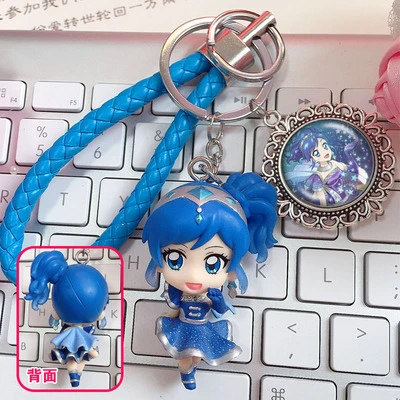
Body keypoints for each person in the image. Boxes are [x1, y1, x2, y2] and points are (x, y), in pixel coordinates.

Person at [143, 172, 277, 390]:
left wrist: (218, 300)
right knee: (184, 356)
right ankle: (186, 373)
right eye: (175, 260)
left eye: (213, 264)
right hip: (183, 327)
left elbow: (220, 310)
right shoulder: (179, 294)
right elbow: (174, 309)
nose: (194, 276)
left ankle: (191, 368)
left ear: (232, 268)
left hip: (203, 328)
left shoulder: (210, 294)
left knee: (197, 355)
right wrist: (167, 317)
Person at [25, 250, 109, 387]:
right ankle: (74, 374)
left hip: (73, 331)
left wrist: (54, 317)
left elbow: (56, 314)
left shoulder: (68, 292)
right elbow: (100, 313)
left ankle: (76, 374)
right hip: (74, 333)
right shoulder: (94, 296)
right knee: (78, 354)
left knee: (82, 355)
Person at [286, 128, 367, 207]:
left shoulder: (334, 163)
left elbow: (354, 170)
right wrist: (325, 211)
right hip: (336, 203)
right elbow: (322, 201)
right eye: (317, 153)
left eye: (325, 146)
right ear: (311, 158)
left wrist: (347, 153)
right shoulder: (317, 176)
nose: (324, 152)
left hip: (349, 194)